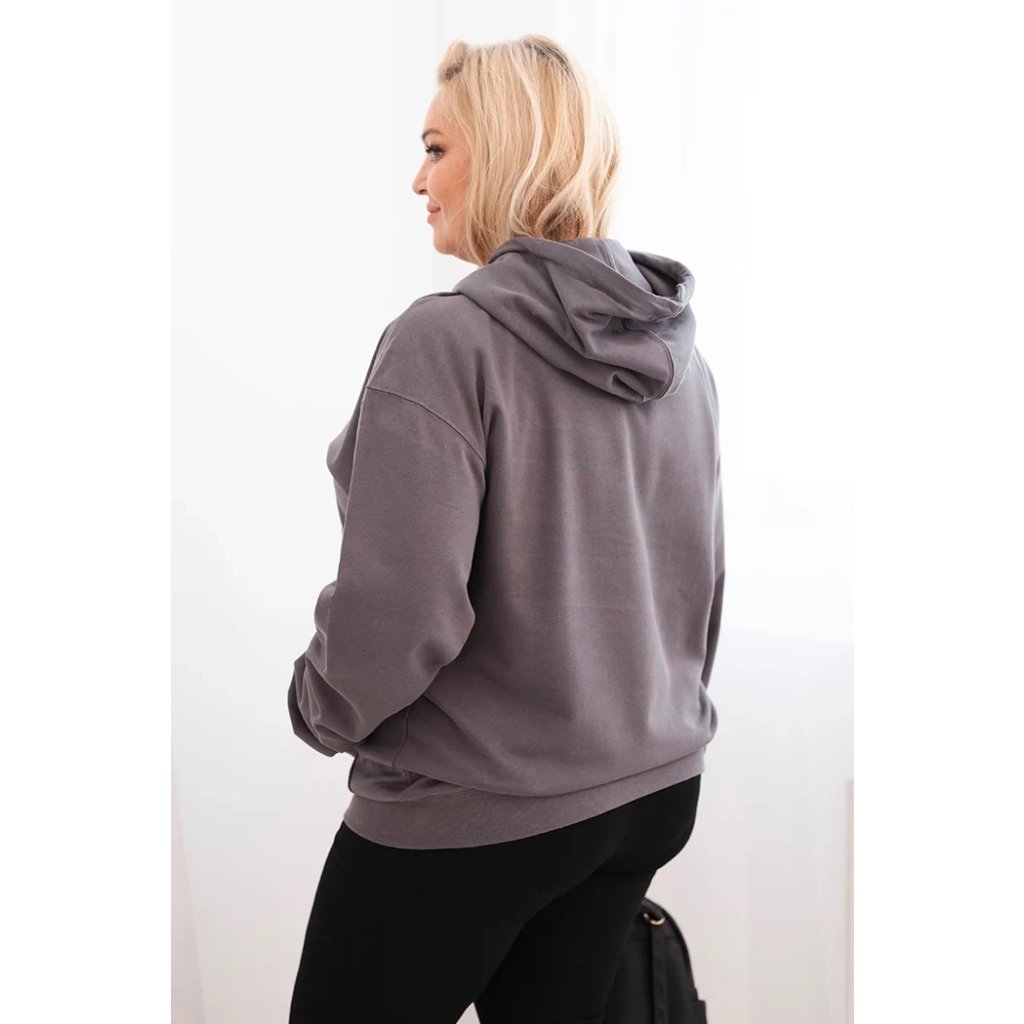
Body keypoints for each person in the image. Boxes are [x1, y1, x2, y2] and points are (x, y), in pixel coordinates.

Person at [287, 33, 724, 1024]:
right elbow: (697, 585)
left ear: (507, 152)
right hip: (649, 790)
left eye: (437, 148)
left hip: (482, 806)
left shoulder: (444, 341)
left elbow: (400, 610)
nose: (417, 180)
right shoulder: (682, 359)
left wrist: (317, 704)